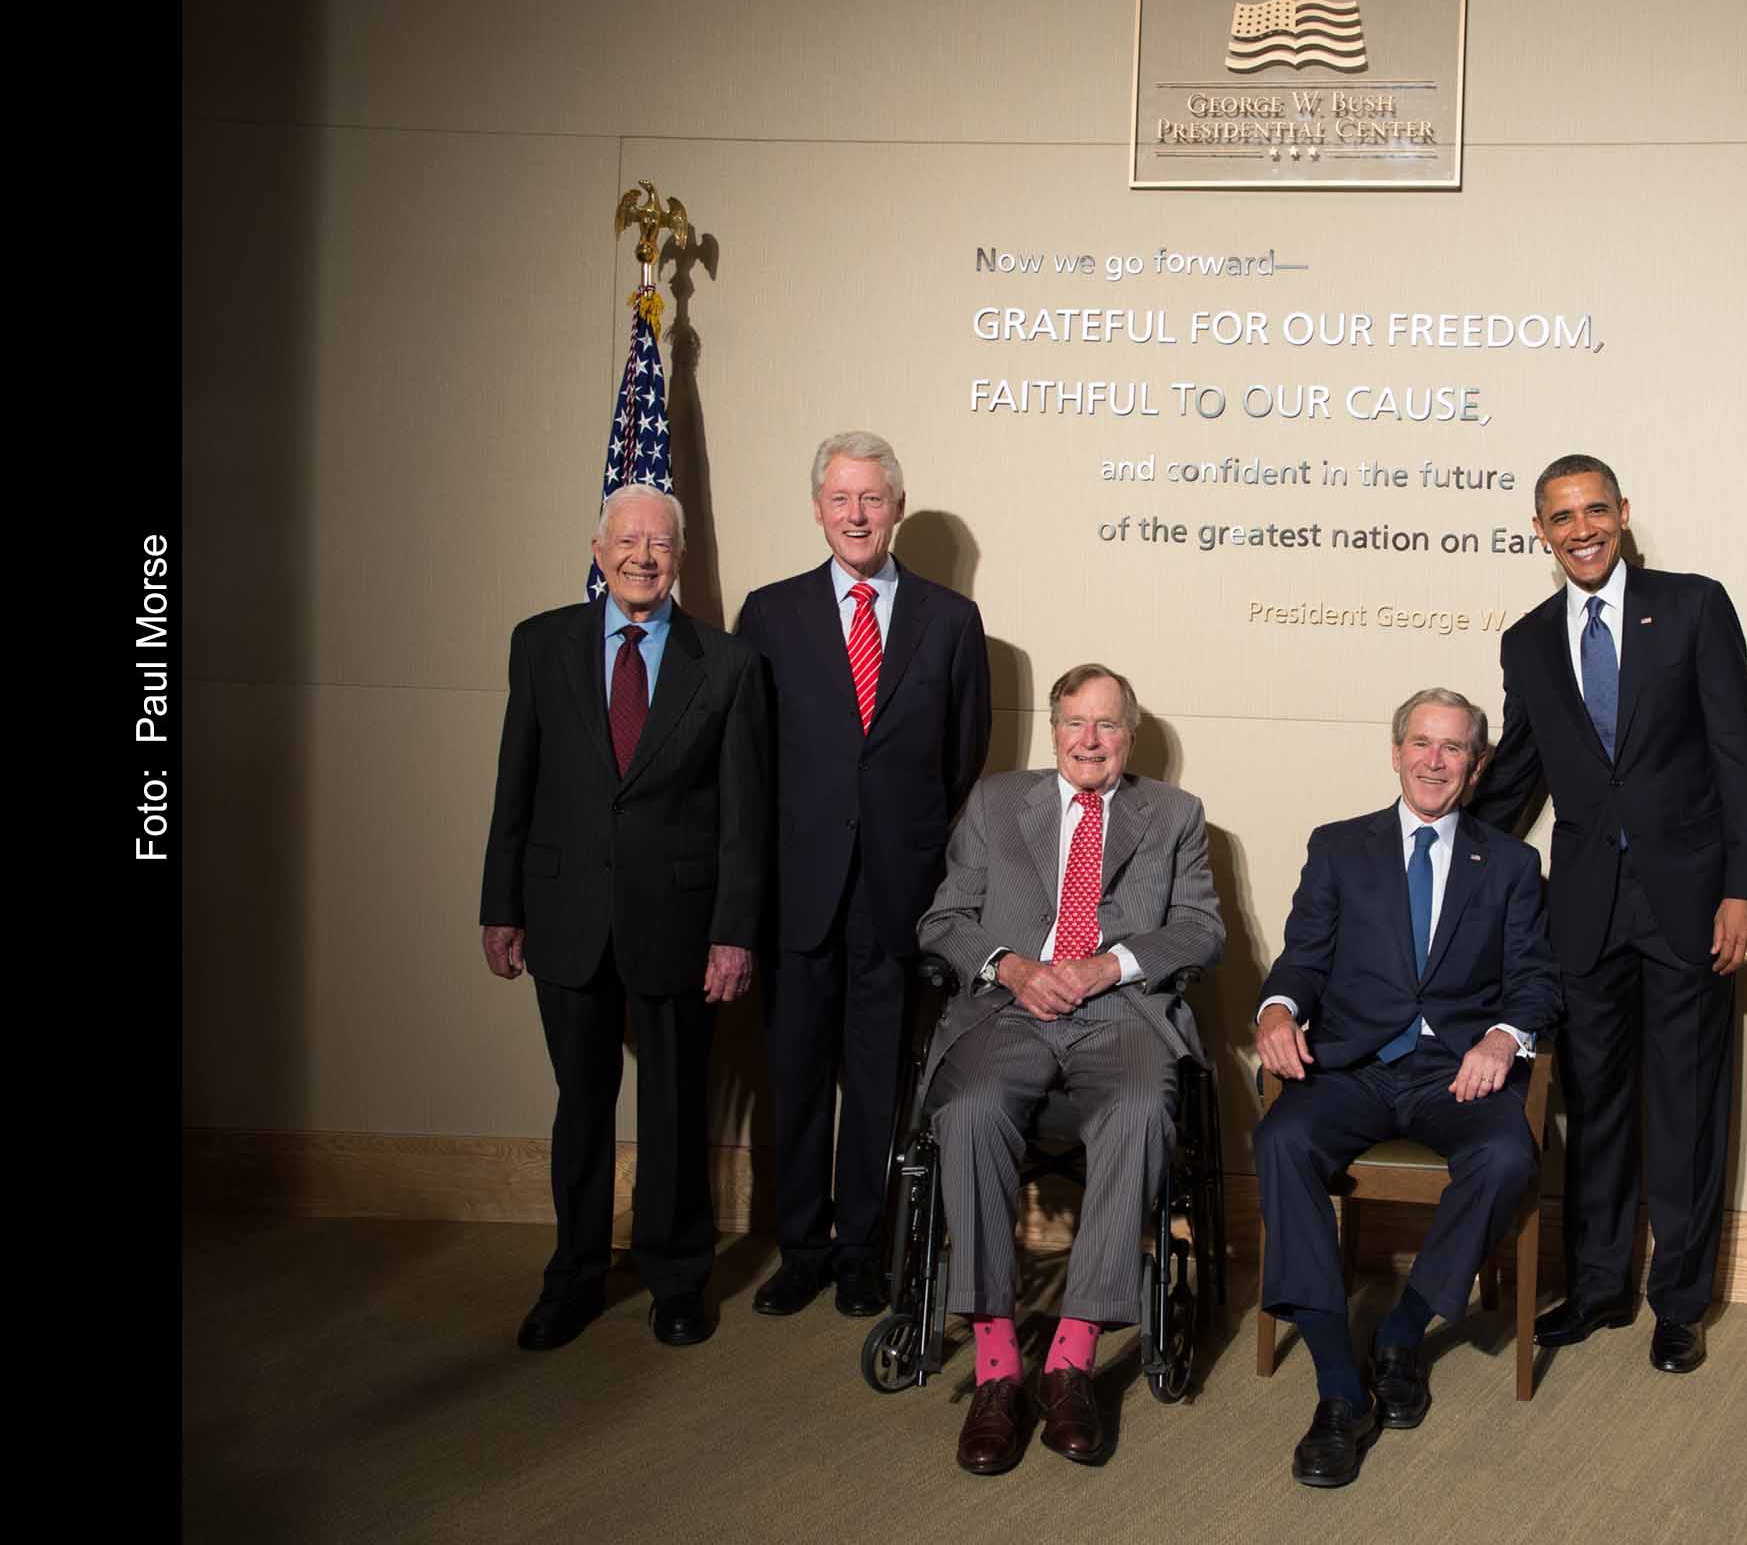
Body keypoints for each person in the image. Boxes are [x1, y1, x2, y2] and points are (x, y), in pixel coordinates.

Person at [1466, 454, 1747, 1375]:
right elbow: (1517, 772)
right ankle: (1600, 1287)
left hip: (1692, 906)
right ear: (1541, 532)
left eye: (1595, 510)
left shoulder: (1692, 607)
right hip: (1586, 913)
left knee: (1683, 1109)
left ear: (1624, 513)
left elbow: (1738, 755)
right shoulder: (1526, 641)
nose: (1582, 530)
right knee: (1594, 1108)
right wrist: (1437, 843)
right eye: (1561, 518)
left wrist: (1745, 888)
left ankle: (1680, 1304)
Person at [479, 482, 769, 1350]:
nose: (644, 557)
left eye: (662, 544)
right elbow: (515, 784)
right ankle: (572, 1274)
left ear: (680, 559)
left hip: (678, 925)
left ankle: (678, 1277)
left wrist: (734, 928)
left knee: (676, 1111)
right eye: (628, 542)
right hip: (563, 914)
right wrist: (501, 905)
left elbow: (744, 817)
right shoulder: (541, 645)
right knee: (582, 1108)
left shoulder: (727, 664)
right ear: (598, 551)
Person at [915, 664, 1223, 1476]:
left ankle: (1071, 1359)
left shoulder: (1176, 815)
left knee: (1138, 1113)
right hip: (1009, 1010)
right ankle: (995, 1371)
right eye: (1075, 723)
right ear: (1053, 730)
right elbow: (943, 918)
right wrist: (1014, 968)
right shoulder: (994, 803)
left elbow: (1198, 929)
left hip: (1119, 1014)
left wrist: (1107, 966)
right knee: (971, 1110)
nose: (1091, 740)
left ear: (1132, 735)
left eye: (1109, 725)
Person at [1253, 687, 1559, 1487]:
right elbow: (1302, 960)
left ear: (1477, 763)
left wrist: (1503, 1035)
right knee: (1281, 1139)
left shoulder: (1514, 863)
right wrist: (1277, 1011)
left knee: (1505, 1157)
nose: (1434, 761)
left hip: (1454, 1071)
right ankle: (1338, 1388)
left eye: (1453, 748)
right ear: (1395, 752)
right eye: (1421, 743)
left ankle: (1401, 1327)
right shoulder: (1338, 847)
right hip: (1354, 1066)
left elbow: (1535, 982)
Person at [734, 432, 992, 1320]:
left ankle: (859, 1255)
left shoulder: (950, 621)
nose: (856, 514)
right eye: (840, 498)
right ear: (817, 509)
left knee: (879, 1085)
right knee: (798, 1077)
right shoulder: (770, 616)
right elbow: (751, 760)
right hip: (798, 893)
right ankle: (800, 1250)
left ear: (897, 509)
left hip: (896, 893)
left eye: (872, 499)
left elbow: (960, 762)